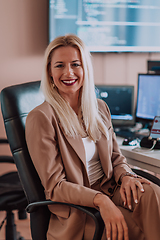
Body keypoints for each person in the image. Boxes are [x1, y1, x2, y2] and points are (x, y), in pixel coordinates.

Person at [25, 34, 160, 240]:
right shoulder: (42, 117)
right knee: (134, 229)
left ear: (85, 68)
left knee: (154, 196)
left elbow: (116, 157)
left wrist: (125, 176)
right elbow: (56, 187)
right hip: (78, 207)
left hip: (109, 187)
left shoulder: (99, 107)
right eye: (59, 65)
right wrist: (101, 200)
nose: (68, 72)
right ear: (50, 72)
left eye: (75, 64)